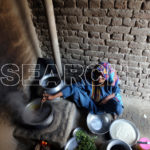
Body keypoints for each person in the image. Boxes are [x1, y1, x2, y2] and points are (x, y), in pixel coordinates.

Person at [42, 62, 124, 119]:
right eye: (98, 74)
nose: (99, 78)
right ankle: (95, 110)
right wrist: (53, 96)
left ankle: (113, 113)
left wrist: (107, 98)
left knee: (118, 107)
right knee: (75, 91)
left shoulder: (111, 81)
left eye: (102, 77)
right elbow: (73, 87)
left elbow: (116, 91)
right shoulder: (89, 79)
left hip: (105, 104)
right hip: (92, 103)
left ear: (106, 77)